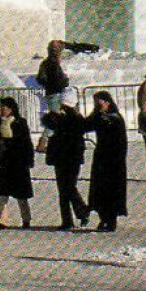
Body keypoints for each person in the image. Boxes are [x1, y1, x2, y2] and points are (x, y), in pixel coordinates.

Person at [42, 88, 91, 230]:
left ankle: (77, 214)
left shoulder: (70, 119)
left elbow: (49, 123)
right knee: (67, 188)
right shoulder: (72, 118)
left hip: (66, 156)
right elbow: (48, 122)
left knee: (66, 188)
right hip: (69, 156)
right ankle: (71, 218)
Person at [86, 90, 129, 231]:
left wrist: (119, 157)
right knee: (99, 190)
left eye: (100, 103)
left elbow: (121, 141)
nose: (98, 106)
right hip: (101, 159)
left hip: (114, 160)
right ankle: (104, 217)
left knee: (112, 190)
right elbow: (86, 125)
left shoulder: (115, 118)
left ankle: (110, 220)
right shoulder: (98, 117)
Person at [0, 96, 34, 229]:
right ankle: (1, 221)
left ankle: (26, 219)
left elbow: (27, 142)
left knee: (21, 194)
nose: (3, 110)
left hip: (18, 162)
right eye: (2, 107)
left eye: (7, 107)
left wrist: (29, 159)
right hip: (3, 162)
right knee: (2, 193)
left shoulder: (20, 122)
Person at [36, 40, 71, 115]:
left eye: (56, 48)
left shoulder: (62, 62)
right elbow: (41, 78)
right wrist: (55, 82)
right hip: (54, 93)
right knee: (56, 118)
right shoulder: (46, 63)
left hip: (65, 94)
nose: (54, 50)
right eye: (52, 48)